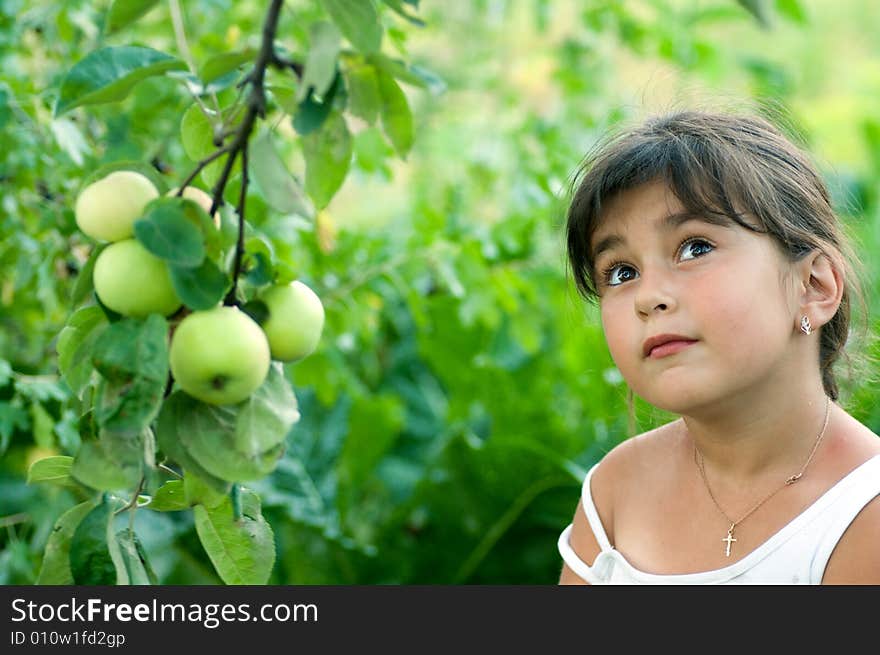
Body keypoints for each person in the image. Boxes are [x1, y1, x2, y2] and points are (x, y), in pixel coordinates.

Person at [557, 108, 880, 584]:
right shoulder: (614, 492)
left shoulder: (861, 512)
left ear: (814, 286)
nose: (649, 298)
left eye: (695, 248)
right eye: (621, 273)